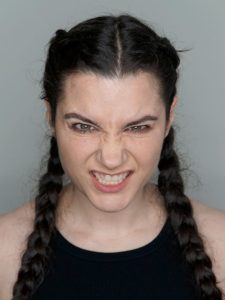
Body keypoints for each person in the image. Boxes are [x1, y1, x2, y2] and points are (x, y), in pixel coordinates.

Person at [0, 14, 224, 300]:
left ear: (169, 118)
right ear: (50, 117)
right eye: (84, 126)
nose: (111, 158)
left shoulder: (222, 245)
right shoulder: (3, 253)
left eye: (138, 127)